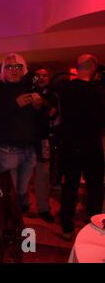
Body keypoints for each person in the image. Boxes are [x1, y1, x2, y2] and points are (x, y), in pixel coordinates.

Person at [0, 53, 41, 213]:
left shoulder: (30, 89)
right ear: (3, 70)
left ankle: (16, 225)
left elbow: (37, 121)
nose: (13, 70)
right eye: (9, 67)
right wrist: (15, 104)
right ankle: (7, 230)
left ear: (24, 69)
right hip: (6, 151)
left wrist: (38, 108)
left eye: (18, 66)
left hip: (29, 150)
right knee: (8, 196)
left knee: (22, 194)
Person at [59, 54, 104, 241]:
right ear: (93, 67)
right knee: (95, 188)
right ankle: (93, 225)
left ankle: (67, 227)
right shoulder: (98, 92)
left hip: (70, 145)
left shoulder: (64, 89)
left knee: (70, 186)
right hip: (91, 146)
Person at [32, 68, 58, 223]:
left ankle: (43, 208)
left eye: (44, 75)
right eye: (38, 75)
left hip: (43, 140)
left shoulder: (53, 95)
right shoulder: (27, 90)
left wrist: (43, 103)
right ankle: (23, 204)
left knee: (43, 175)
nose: (41, 78)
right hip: (26, 140)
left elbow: (53, 113)